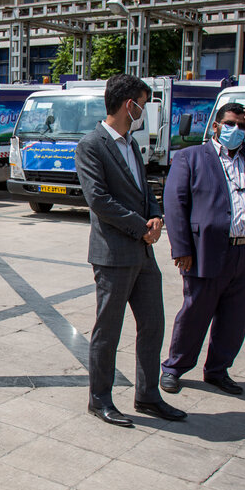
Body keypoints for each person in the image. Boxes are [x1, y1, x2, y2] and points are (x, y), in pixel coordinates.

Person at [161, 102, 245, 395]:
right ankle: (174, 367)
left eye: (242, 126)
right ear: (216, 126)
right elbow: (174, 204)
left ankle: (218, 370)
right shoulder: (191, 157)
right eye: (231, 124)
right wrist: (181, 248)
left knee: (236, 315)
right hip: (206, 250)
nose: (236, 130)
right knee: (196, 311)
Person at [74, 74, 185, 428]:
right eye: (143, 103)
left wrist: (155, 216)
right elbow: (99, 201)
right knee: (108, 329)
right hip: (114, 253)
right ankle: (100, 399)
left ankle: (148, 395)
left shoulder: (132, 144)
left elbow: (143, 190)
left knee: (153, 324)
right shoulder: (92, 145)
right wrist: (142, 226)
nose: (143, 111)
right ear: (129, 105)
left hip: (143, 252)